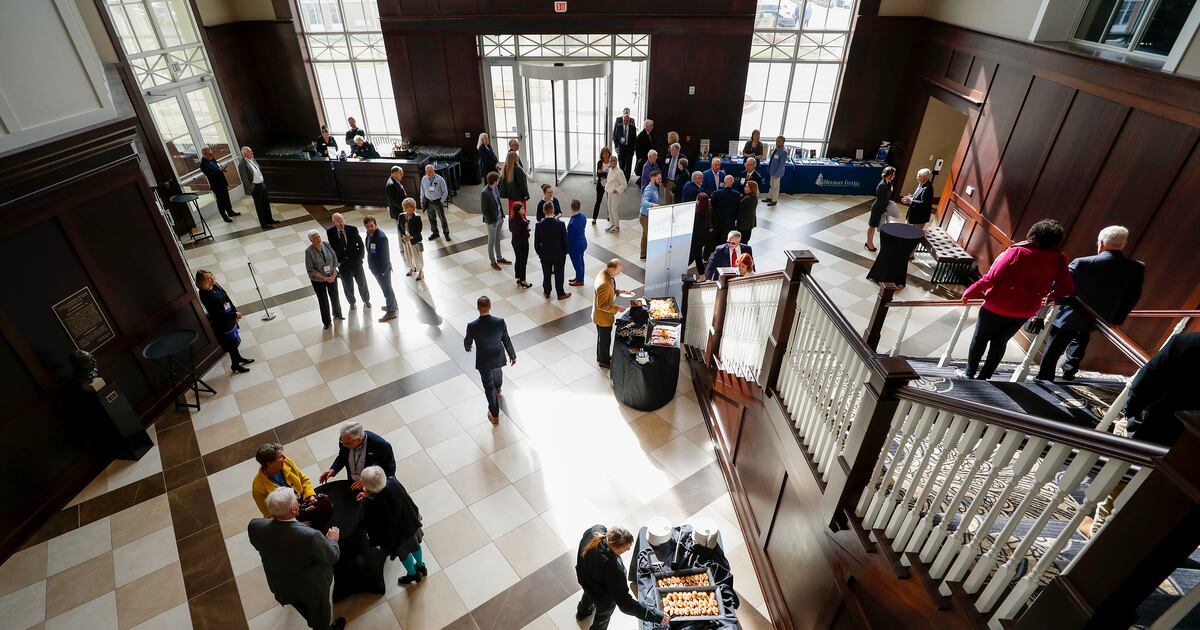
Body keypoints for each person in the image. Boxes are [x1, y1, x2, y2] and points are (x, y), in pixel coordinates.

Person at [960, 219, 1074, 380]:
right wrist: (1050, 296)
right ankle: (984, 376)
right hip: (1024, 311)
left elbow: (992, 278)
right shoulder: (1059, 258)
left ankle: (969, 373)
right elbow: (1066, 288)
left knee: (980, 339)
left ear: (1034, 234)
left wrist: (970, 291)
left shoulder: (1017, 251)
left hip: (996, 305)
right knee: (1000, 343)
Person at [1037, 226, 1145, 381]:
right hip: (1101, 316)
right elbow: (1133, 295)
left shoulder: (1082, 263)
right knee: (1082, 336)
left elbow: (1062, 285)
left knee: (1055, 345)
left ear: (1101, 243)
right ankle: (1069, 371)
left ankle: (1045, 376)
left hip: (1071, 313)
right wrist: (1118, 318)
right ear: (1124, 244)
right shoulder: (1136, 267)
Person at [248, 487, 344, 630]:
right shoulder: (310, 536)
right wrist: (333, 540)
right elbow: (331, 556)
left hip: (281, 584)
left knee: (300, 605)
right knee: (319, 613)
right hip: (310, 587)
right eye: (297, 501)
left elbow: (260, 545)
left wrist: (296, 525)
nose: (299, 502)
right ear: (294, 510)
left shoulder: (255, 525)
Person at [574, 525, 669, 630]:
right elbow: (626, 605)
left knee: (588, 594)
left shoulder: (596, 530)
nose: (628, 549)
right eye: (626, 548)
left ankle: (582, 613)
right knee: (602, 617)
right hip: (601, 596)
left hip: (585, 578)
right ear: (617, 547)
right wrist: (656, 615)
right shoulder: (613, 568)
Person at [357, 466, 426, 585]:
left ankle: (413, 574)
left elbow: (368, 520)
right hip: (410, 524)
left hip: (397, 537)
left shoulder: (371, 503)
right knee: (415, 546)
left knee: (404, 555)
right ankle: (421, 566)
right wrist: (369, 494)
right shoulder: (393, 482)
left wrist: (366, 498)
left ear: (368, 488)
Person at [464, 296, 517, 424]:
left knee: (488, 386)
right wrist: (512, 355)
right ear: (490, 306)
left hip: (484, 359)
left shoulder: (472, 326)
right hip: (498, 355)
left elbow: (468, 341)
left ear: (478, 308)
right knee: (497, 370)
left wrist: (467, 347)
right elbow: (506, 340)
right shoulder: (500, 322)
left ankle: (494, 415)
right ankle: (498, 388)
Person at [195, 269, 253, 372]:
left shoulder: (215, 285)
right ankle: (235, 365)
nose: (213, 278)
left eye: (212, 275)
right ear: (203, 282)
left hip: (229, 317)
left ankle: (238, 358)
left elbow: (226, 298)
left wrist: (234, 311)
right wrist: (233, 314)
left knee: (234, 340)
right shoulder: (205, 295)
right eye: (209, 278)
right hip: (222, 322)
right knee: (231, 343)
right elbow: (217, 313)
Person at [319, 421, 396, 485]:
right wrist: (333, 469)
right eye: (342, 442)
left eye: (347, 443)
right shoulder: (345, 439)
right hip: (353, 483)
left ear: (359, 439)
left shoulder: (381, 446)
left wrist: (367, 481)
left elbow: (389, 470)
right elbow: (342, 456)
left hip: (373, 486)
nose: (344, 445)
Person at [251, 442, 316, 518]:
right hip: (290, 518)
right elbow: (270, 516)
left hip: (306, 501)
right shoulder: (258, 488)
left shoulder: (286, 462)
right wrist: (295, 522)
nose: (284, 457)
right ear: (269, 464)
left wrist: (310, 496)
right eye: (281, 456)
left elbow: (303, 479)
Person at [327, 213, 370, 310]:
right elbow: (332, 249)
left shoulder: (352, 229)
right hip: (343, 265)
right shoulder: (330, 232)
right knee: (347, 285)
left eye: (342, 220)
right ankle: (352, 302)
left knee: (362, 283)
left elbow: (361, 244)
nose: (341, 223)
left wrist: (360, 258)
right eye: (338, 222)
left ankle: (366, 300)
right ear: (334, 222)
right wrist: (336, 264)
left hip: (356, 262)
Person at [305, 229, 343, 329]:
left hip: (331, 276)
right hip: (318, 280)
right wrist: (325, 278)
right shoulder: (309, 252)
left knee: (335, 296)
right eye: (315, 238)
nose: (318, 239)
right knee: (323, 300)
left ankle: (337, 314)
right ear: (311, 240)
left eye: (319, 237)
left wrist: (334, 273)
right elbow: (310, 269)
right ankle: (326, 321)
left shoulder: (326, 244)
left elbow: (334, 258)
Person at [363, 216, 398, 322]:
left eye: (372, 226)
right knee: (387, 289)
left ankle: (391, 312)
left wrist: (382, 272)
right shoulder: (369, 234)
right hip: (376, 269)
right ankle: (393, 305)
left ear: (376, 224)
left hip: (382, 270)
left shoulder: (381, 237)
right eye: (368, 226)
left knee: (387, 290)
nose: (370, 228)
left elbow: (385, 257)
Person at [593, 260, 627, 368]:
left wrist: (619, 291)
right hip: (603, 318)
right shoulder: (604, 283)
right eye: (618, 271)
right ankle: (604, 361)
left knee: (602, 338)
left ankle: (601, 356)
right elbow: (602, 305)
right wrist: (617, 308)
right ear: (611, 269)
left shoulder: (604, 273)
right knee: (605, 340)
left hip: (601, 316)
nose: (619, 273)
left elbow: (610, 289)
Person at [237, 146, 279, 229]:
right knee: (260, 207)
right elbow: (245, 180)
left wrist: (262, 181)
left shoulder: (252, 159)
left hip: (261, 185)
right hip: (255, 187)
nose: (252, 153)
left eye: (251, 151)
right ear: (245, 154)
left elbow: (258, 171)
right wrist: (252, 188)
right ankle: (264, 224)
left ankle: (270, 220)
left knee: (266, 204)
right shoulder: (242, 164)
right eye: (250, 152)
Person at [535, 207, 571, 300]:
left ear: (544, 211)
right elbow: (565, 240)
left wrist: (540, 254)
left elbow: (536, 243)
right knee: (559, 274)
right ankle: (560, 293)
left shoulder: (539, 225)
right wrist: (565, 252)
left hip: (545, 255)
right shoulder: (560, 224)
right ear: (553, 211)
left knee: (546, 274)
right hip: (559, 254)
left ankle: (547, 292)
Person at [481, 171, 511, 271]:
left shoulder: (495, 188)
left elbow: (498, 202)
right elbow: (484, 210)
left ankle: (499, 258)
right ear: (495, 181)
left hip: (499, 218)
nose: (498, 181)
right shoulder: (485, 192)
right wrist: (491, 222)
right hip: (492, 221)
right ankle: (492, 261)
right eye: (498, 180)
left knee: (498, 239)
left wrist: (501, 216)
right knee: (491, 241)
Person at [199, 148, 236, 222]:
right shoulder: (202, 164)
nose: (211, 155)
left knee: (226, 198)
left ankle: (230, 212)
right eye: (209, 154)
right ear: (204, 154)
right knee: (220, 202)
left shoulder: (212, 158)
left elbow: (217, 166)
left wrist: (222, 169)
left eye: (211, 153)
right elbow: (210, 175)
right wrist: (219, 170)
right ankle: (224, 217)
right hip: (216, 186)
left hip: (223, 182)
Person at [865, 166, 896, 252]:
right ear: (889, 175)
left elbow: (887, 198)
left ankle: (870, 242)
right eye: (893, 174)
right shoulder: (882, 185)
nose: (894, 176)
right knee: (872, 226)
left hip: (882, 207)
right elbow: (881, 200)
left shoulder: (888, 183)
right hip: (878, 208)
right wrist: (884, 210)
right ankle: (868, 243)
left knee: (874, 226)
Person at [419, 164, 451, 241]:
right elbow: (422, 190)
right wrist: (422, 200)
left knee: (442, 218)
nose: (428, 173)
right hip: (428, 201)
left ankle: (446, 234)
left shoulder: (440, 179)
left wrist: (441, 201)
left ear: (434, 171)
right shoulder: (424, 179)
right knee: (431, 218)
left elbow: (445, 192)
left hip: (437, 201)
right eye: (427, 172)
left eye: (430, 171)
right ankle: (435, 233)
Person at [399, 198, 424, 281]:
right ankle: (412, 268)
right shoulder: (401, 216)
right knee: (408, 255)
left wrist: (411, 236)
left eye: (411, 207)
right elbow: (399, 226)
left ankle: (421, 271)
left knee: (417, 256)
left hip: (415, 240)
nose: (409, 209)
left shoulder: (417, 217)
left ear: (414, 207)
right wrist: (403, 235)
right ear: (404, 208)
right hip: (406, 240)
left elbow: (419, 229)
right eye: (407, 207)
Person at [509, 202, 533, 289]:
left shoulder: (511, 219)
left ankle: (518, 278)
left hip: (514, 242)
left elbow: (511, 229)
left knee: (518, 259)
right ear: (518, 211)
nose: (524, 210)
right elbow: (526, 235)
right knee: (523, 262)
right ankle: (523, 281)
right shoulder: (522, 222)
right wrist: (527, 230)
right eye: (522, 209)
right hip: (522, 244)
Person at [710, 175, 742, 239]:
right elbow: (738, 210)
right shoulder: (737, 195)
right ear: (732, 183)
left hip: (717, 221)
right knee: (727, 239)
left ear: (724, 182)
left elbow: (712, 208)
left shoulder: (716, 193)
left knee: (716, 239)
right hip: (730, 222)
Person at [639, 171, 661, 260]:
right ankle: (653, 258)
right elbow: (644, 202)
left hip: (648, 216)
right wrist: (652, 205)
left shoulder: (655, 187)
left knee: (645, 236)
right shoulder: (649, 190)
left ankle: (643, 255)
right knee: (651, 237)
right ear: (653, 178)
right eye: (659, 178)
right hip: (645, 217)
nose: (660, 180)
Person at [690, 193, 714, 273]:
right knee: (696, 257)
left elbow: (696, 227)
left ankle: (702, 275)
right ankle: (701, 275)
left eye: (697, 199)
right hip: (703, 238)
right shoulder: (708, 210)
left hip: (696, 239)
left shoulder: (698, 213)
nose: (696, 201)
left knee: (697, 258)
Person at [603, 155, 627, 232]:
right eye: (610, 162)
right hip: (609, 192)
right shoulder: (610, 169)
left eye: (613, 162)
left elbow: (624, 184)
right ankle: (612, 224)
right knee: (609, 209)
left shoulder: (619, 172)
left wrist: (617, 190)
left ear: (616, 163)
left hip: (615, 193)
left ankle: (617, 226)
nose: (611, 164)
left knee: (614, 209)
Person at [502, 151, 529, 216]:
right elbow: (522, 184)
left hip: (511, 196)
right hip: (519, 196)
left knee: (512, 212)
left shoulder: (506, 168)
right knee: (521, 212)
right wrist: (526, 194)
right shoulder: (518, 169)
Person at [611, 108, 637, 179]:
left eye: (626, 120)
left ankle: (626, 179)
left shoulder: (633, 128)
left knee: (628, 165)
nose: (625, 122)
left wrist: (634, 148)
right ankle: (622, 177)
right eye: (624, 120)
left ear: (629, 120)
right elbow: (615, 137)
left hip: (629, 149)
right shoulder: (619, 127)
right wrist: (616, 147)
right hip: (621, 149)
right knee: (621, 164)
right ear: (622, 120)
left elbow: (635, 139)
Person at [567, 199, 588, 287]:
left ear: (571, 208)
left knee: (577, 263)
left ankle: (579, 280)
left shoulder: (572, 223)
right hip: (582, 242)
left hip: (575, 245)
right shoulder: (583, 216)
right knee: (581, 261)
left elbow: (569, 237)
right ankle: (579, 277)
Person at [767, 135, 787, 207]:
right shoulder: (777, 148)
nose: (777, 142)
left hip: (777, 173)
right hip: (772, 171)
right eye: (776, 141)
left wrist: (777, 174)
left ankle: (774, 200)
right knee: (771, 185)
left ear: (783, 142)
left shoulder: (783, 151)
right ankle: (770, 197)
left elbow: (782, 165)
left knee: (776, 187)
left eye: (778, 141)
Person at [593, 147, 611, 224]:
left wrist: (603, 173)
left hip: (609, 185)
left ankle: (609, 216)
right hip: (600, 185)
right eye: (604, 153)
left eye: (607, 153)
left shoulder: (611, 162)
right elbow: (599, 174)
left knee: (609, 202)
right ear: (602, 154)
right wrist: (607, 173)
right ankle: (594, 218)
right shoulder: (600, 162)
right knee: (598, 202)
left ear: (609, 154)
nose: (605, 155)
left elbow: (612, 175)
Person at [634, 119, 656, 183]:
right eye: (651, 126)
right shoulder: (641, 135)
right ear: (646, 126)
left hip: (648, 156)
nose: (652, 127)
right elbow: (637, 148)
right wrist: (639, 157)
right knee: (642, 171)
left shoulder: (650, 134)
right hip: (643, 157)